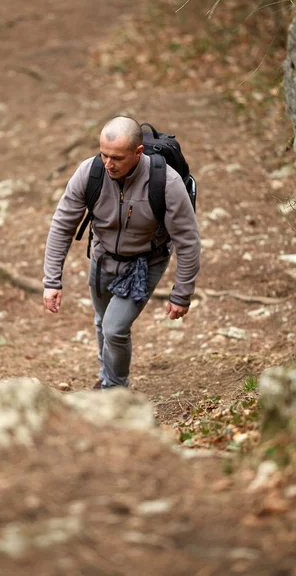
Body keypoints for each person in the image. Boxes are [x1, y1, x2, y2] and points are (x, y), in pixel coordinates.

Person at [43, 116, 200, 389]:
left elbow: (187, 240)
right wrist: (52, 280)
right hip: (102, 257)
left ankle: (115, 389)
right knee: (102, 322)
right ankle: (108, 378)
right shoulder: (90, 172)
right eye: (104, 154)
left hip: (144, 263)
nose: (108, 164)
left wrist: (182, 293)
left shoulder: (166, 182)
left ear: (138, 153)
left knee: (114, 329)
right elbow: (62, 224)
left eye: (116, 157)